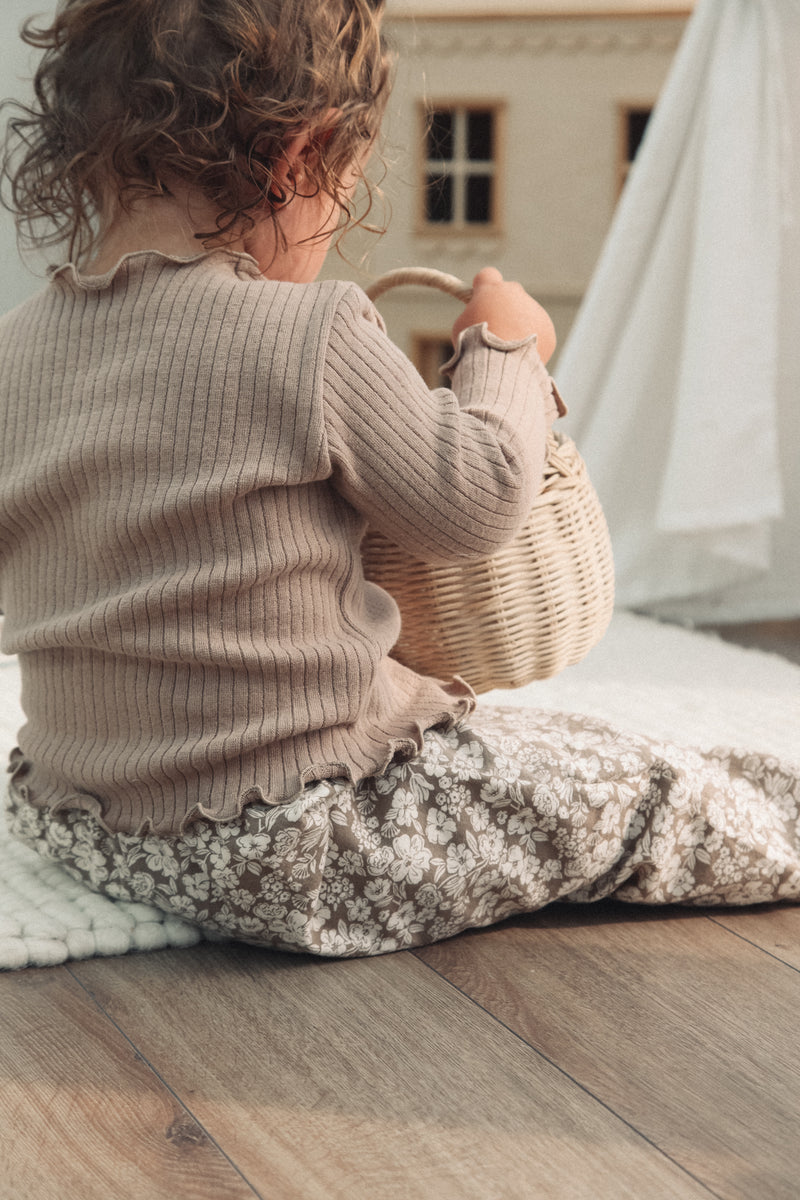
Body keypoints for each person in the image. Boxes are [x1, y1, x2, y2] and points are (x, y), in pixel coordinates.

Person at [0, 0, 797, 958]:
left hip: (84, 817)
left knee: (549, 755)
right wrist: (505, 348)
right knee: (640, 790)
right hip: (296, 841)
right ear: (299, 157)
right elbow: (478, 498)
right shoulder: (311, 332)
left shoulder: (18, 350)